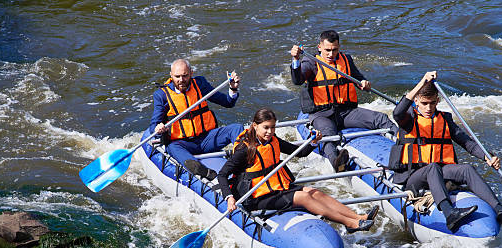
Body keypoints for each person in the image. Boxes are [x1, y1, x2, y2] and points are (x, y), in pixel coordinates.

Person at [217, 108, 379, 233]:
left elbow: (299, 152)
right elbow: (223, 174)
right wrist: (229, 197)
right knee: (304, 197)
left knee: (314, 192)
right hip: (255, 197)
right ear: (255, 126)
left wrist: (313, 142)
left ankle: (359, 217)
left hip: (275, 188)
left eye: (273, 127)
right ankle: (350, 224)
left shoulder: (272, 140)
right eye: (266, 128)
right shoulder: (244, 149)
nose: (270, 132)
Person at [390, 71, 502, 231]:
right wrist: (422, 82)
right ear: (417, 100)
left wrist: (487, 157)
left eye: (432, 103)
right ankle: (449, 214)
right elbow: (397, 113)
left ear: (438, 101)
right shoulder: (409, 120)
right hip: (415, 177)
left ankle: (499, 209)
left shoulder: (444, 120)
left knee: (467, 169)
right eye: (424, 103)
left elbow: (467, 143)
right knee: (432, 167)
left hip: (440, 171)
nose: (428, 108)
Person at [290, 30, 399, 172]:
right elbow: (297, 80)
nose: (330, 54)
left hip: (346, 112)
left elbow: (359, 78)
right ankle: (337, 162)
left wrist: (364, 83)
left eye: (334, 50)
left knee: (380, 118)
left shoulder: (346, 60)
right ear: (319, 47)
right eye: (327, 50)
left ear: (339, 47)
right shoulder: (310, 62)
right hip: (321, 114)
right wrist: (296, 59)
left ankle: (405, 142)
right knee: (328, 134)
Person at [149, 59, 244, 180]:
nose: (181, 80)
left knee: (237, 128)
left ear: (191, 73)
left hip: (206, 139)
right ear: (171, 75)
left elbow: (227, 102)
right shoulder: (161, 95)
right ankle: (200, 169)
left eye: (185, 75)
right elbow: (154, 126)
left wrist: (233, 89)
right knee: (172, 147)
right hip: (183, 143)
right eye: (177, 76)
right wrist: (158, 128)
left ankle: (244, 161)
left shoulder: (200, 84)